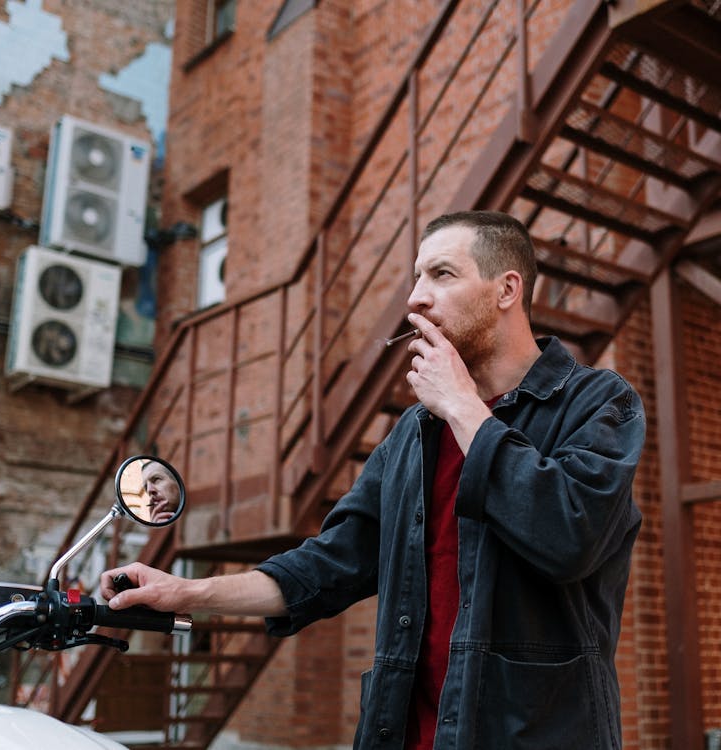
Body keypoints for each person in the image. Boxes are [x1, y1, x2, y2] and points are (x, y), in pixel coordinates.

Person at [101, 210, 645, 749]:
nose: (416, 298)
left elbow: (569, 534)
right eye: (416, 277)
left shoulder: (599, 402)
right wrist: (188, 591)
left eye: (442, 274)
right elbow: (327, 565)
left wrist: (461, 405)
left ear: (506, 289)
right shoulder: (414, 433)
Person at [141, 459, 181, 524]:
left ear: (178, 482)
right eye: (146, 487)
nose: (149, 490)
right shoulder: (157, 521)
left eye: (156, 479)